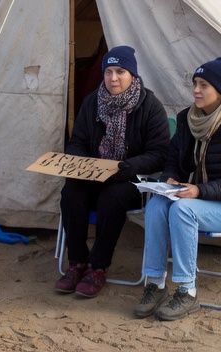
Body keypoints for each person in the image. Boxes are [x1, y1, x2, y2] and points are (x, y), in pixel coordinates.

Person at [136, 56, 221, 321]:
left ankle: (187, 291)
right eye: (195, 83)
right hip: (193, 196)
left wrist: (199, 191)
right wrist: (169, 179)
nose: (196, 90)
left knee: (182, 210)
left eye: (204, 85)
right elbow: (172, 162)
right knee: (157, 205)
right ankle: (155, 284)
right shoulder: (186, 119)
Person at [57, 46, 169, 299]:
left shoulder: (149, 106)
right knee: (71, 192)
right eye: (108, 71)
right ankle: (77, 263)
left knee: (113, 198)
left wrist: (128, 167)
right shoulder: (92, 101)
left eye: (120, 71)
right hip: (95, 175)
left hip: (129, 179)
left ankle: (98, 267)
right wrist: (82, 163)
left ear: (133, 75)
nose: (113, 78)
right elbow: (79, 141)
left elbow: (160, 153)